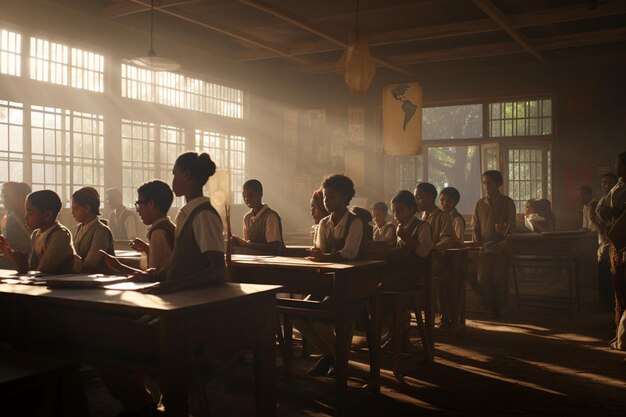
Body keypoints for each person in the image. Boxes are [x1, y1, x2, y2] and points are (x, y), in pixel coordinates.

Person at [99, 152, 225, 417]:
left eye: (175, 174)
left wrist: (172, 286)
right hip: (177, 304)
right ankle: (146, 403)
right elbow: (178, 263)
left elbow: (216, 270)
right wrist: (151, 275)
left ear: (187, 175)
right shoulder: (186, 213)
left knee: (116, 343)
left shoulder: (203, 214)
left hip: (191, 312)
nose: (173, 180)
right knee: (111, 337)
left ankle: (151, 404)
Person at [295, 174, 364, 377]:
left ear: (345, 198)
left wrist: (322, 255)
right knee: (298, 316)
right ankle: (331, 355)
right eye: (325, 197)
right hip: (327, 282)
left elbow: (349, 254)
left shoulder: (355, 222)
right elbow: (320, 250)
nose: (327, 201)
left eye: (332, 196)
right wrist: (317, 254)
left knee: (317, 318)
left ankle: (338, 357)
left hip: (350, 283)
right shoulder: (324, 223)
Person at [382, 190, 433, 348]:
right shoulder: (400, 227)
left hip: (412, 278)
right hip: (399, 275)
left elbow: (424, 252)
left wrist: (407, 238)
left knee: (374, 287)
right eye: (394, 211)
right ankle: (398, 330)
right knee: (372, 288)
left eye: (400, 210)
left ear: (412, 208)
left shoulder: (422, 226)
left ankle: (399, 329)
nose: (396, 215)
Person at [103, 180, 175, 275]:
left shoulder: (159, 233)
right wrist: (146, 249)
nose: (137, 210)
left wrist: (118, 266)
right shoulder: (168, 227)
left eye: (138, 204)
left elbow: (156, 276)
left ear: (151, 204)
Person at [472, 170, 516, 318]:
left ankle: (502, 306)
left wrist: (504, 229)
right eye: (484, 183)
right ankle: (491, 306)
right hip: (484, 247)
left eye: (489, 183)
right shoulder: (479, 203)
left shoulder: (507, 202)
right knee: (482, 278)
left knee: (498, 276)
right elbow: (475, 224)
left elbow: (512, 226)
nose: (486, 186)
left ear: (498, 183)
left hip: (501, 246)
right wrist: (478, 241)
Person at [415, 182, 459, 327]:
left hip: (438, 260)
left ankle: (443, 315)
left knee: (434, 277)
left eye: (419, 197)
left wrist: (433, 249)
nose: (417, 201)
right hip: (423, 259)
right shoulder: (422, 216)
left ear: (430, 197)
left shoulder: (443, 216)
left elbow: (449, 238)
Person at [0, 190, 75, 274]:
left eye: (30, 213)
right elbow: (32, 267)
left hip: (66, 283)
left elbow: (43, 269)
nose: (25, 217)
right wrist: (7, 250)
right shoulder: (36, 234)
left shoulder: (60, 235)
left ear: (47, 215)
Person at [596, 152, 626, 335]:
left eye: (619, 164)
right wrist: (610, 211)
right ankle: (620, 324)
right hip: (616, 241)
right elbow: (601, 208)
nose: (616, 167)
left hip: (624, 241)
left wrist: (616, 210)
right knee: (619, 286)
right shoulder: (618, 186)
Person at [230, 179, 285, 255]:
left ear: (260, 194)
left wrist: (246, 244)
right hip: (255, 257)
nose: (247, 199)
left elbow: (274, 247)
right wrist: (239, 243)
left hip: (274, 260)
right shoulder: (247, 217)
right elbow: (248, 243)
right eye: (244, 196)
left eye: (251, 196)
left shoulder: (270, 216)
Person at [71, 187, 115, 273]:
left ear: (87, 208)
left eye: (75, 209)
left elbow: (89, 265)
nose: (72, 212)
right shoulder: (78, 228)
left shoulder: (101, 231)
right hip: (81, 276)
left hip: (100, 278)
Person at [594, 172, 619, 310]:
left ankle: (612, 304)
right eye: (603, 183)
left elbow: (610, 222)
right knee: (603, 273)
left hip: (614, 242)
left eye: (609, 182)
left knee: (613, 276)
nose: (606, 185)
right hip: (603, 242)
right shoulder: (603, 200)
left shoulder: (617, 199)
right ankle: (605, 302)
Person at [1, 182, 32, 256]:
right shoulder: (9, 215)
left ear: (21, 197)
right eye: (3, 193)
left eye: (7, 193)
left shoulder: (31, 216)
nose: (4, 197)